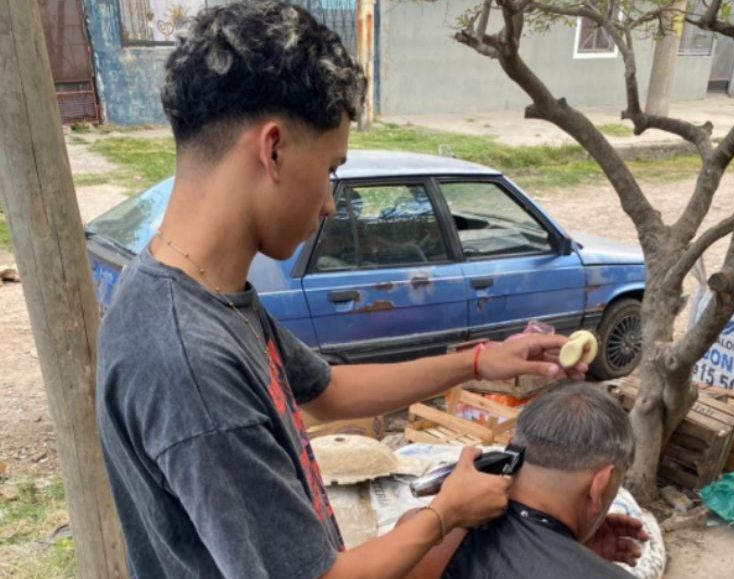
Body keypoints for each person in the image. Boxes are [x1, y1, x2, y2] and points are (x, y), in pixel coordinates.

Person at [95, 2, 587, 578]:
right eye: (331, 168)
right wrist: (442, 516)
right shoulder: (187, 361)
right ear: (272, 150)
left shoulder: (198, 289)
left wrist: (481, 360)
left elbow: (328, 391)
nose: (330, 202)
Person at [407, 382, 649, 578]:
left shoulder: (422, 536)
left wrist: (575, 549)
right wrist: (578, 557)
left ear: (512, 448)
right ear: (601, 485)